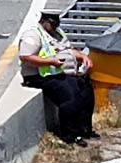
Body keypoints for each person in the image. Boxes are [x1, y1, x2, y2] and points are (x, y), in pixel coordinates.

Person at [25, 11, 96, 142]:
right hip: (42, 76)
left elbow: (69, 49)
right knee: (71, 95)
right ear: (44, 21)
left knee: (86, 89)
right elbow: (26, 57)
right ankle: (70, 134)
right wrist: (51, 62)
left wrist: (83, 57)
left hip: (60, 73)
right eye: (53, 23)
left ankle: (85, 129)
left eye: (57, 23)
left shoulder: (58, 33)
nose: (56, 26)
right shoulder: (34, 35)